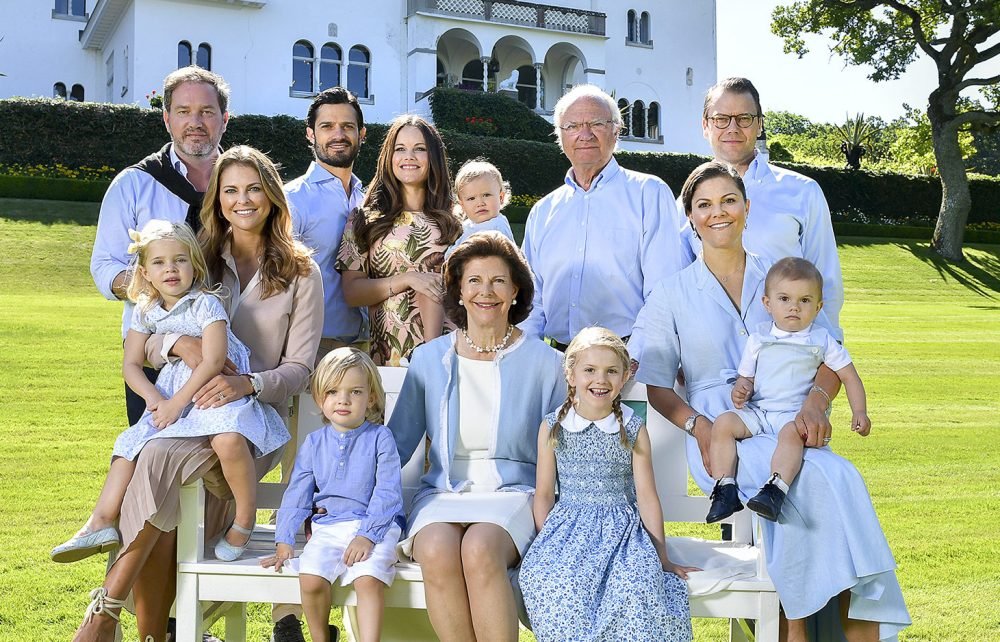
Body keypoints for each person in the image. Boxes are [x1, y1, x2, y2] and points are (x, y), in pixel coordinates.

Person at [631, 161, 910, 641]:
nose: (718, 213)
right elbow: (656, 386)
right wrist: (699, 425)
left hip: (787, 422)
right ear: (690, 218)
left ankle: (836, 625)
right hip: (723, 436)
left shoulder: (781, 274)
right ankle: (815, 629)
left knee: (839, 476)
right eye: (704, 205)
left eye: (728, 201)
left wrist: (818, 402)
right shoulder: (671, 294)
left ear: (746, 208)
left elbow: (828, 356)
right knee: (816, 483)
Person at [72, 145, 324, 642]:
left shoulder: (300, 273)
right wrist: (176, 344)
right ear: (217, 199)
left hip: (251, 424)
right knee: (158, 462)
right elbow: (142, 340)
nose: (242, 199)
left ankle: (108, 613)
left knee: (155, 457)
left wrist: (246, 382)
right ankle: (146, 630)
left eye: (253, 188)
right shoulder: (197, 259)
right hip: (188, 414)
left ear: (272, 196)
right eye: (230, 190)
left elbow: (300, 369)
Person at [52, 220, 289, 564]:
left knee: (227, 440)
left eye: (180, 260)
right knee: (130, 444)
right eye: (159, 263)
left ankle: (244, 517)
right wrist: (155, 400)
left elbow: (214, 360)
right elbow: (131, 365)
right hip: (171, 395)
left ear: (194, 265)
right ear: (145, 272)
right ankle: (100, 520)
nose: (171, 269)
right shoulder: (144, 310)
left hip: (215, 390)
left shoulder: (206, 304)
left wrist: (177, 403)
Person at [388, 232, 565, 642]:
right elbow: (396, 444)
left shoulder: (547, 363)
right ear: (459, 291)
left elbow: (564, 449)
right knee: (434, 548)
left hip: (516, 492)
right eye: (474, 281)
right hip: (444, 492)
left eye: (498, 281)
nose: (486, 292)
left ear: (516, 290)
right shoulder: (430, 358)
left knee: (481, 548)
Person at [519, 327, 696, 642]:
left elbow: (647, 496)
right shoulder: (553, 427)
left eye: (611, 371)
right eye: (590, 370)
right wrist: (545, 541)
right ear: (571, 375)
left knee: (635, 585)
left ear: (625, 376)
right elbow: (544, 493)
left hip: (622, 532)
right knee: (558, 583)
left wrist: (662, 556)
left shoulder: (631, 428)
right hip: (567, 528)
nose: (600, 379)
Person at [90, 66, 231, 425]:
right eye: (183, 111)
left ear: (225, 119)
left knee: (226, 462)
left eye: (207, 112)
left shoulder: (243, 184)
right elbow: (105, 266)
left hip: (230, 351)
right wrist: (157, 295)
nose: (195, 121)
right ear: (167, 119)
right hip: (153, 349)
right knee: (151, 463)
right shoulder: (133, 184)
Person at [520, 84, 685, 350]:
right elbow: (531, 295)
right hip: (556, 359)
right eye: (572, 126)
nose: (584, 134)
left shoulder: (648, 194)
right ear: (559, 136)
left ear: (616, 130)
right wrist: (528, 352)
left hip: (628, 357)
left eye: (596, 123)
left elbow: (662, 290)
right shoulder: (542, 211)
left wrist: (631, 358)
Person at [707, 257, 871, 524]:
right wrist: (741, 389)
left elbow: (849, 376)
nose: (794, 307)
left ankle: (775, 490)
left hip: (794, 415)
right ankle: (725, 488)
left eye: (804, 301)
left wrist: (860, 411)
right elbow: (745, 377)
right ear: (767, 304)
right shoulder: (759, 338)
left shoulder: (821, 340)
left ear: (818, 307)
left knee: (792, 435)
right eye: (784, 299)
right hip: (759, 411)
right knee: (724, 424)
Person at [262, 348, 403, 642]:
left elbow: (387, 492)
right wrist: (285, 539)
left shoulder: (380, 438)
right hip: (329, 527)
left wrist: (368, 535)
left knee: (368, 579)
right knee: (311, 579)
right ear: (319, 398)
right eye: (333, 391)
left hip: (375, 527)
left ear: (371, 398)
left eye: (355, 392)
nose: (343, 400)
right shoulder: (314, 443)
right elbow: (298, 491)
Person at [690, 77, 845, 338]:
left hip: (789, 358)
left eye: (744, 118)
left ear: (759, 125)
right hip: (711, 359)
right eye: (721, 119)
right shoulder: (688, 203)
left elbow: (826, 281)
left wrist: (828, 354)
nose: (732, 128)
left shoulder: (802, 192)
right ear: (705, 126)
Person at [337, 115, 462, 366]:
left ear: (434, 157)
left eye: (420, 149)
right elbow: (352, 293)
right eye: (400, 149)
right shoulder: (365, 218)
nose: (409, 157)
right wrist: (408, 279)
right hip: (389, 356)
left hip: (452, 353)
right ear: (388, 157)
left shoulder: (458, 217)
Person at [285, 87, 369, 361]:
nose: (338, 135)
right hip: (313, 346)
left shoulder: (369, 198)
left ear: (362, 134)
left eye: (347, 126)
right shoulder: (292, 200)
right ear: (311, 134)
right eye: (327, 126)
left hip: (368, 343)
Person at [445, 158, 515, 258]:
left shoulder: (497, 226)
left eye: (486, 195)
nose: (480, 203)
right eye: (471, 198)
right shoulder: (466, 226)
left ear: (501, 198)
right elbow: (452, 253)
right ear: (462, 205)